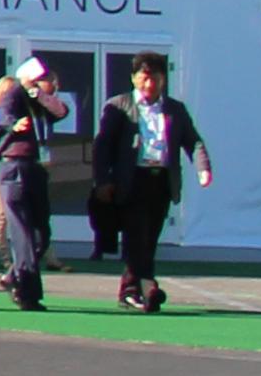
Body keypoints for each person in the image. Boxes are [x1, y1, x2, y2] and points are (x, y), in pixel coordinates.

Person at [91, 53, 213, 314]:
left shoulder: (175, 109)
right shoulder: (119, 106)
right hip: (132, 180)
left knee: (149, 238)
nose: (149, 85)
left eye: (155, 79)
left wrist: (203, 168)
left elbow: (193, 141)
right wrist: (102, 180)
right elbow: (103, 146)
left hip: (161, 182)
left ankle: (132, 290)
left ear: (163, 80)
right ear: (134, 78)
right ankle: (147, 286)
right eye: (144, 78)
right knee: (136, 234)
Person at [0, 52, 58, 312]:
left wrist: (40, 95)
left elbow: (61, 111)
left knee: (41, 234)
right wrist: (15, 125)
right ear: (31, 79)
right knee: (22, 233)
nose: (52, 85)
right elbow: (5, 117)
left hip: (36, 167)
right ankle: (27, 292)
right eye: (46, 80)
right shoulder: (13, 96)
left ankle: (12, 276)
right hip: (14, 168)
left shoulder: (39, 101)